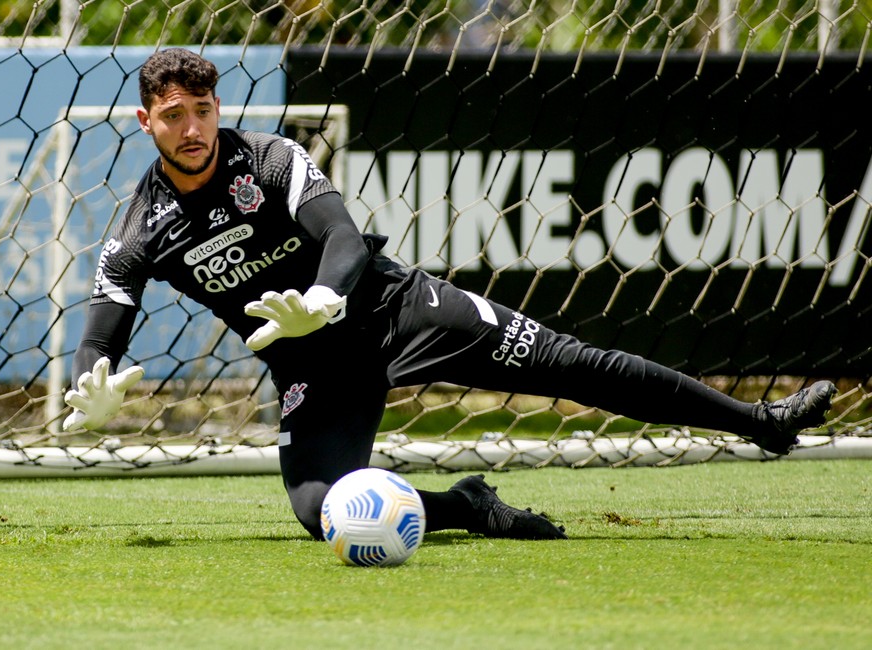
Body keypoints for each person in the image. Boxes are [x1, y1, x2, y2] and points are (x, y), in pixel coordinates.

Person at [63, 48, 837, 542]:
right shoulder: (139, 230)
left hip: (396, 311)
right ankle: (466, 506)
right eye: (174, 116)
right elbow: (108, 317)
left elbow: (339, 235)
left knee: (572, 363)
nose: (192, 127)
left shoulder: (270, 159)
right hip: (312, 371)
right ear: (146, 122)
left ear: (218, 108)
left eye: (203, 111)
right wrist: (92, 382)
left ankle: (760, 423)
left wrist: (329, 297)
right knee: (317, 512)